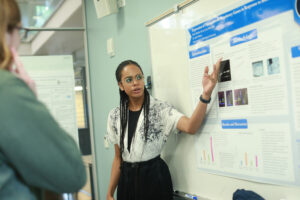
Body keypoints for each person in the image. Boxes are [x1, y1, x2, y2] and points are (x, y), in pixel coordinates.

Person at [0, 0, 86, 199]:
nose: (19, 42)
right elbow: (71, 173)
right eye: (19, 32)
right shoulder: (7, 89)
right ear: (5, 32)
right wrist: (31, 100)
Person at [106, 59, 221, 200]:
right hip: (127, 182)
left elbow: (191, 126)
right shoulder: (115, 116)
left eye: (139, 77)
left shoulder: (161, 109)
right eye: (129, 80)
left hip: (154, 179)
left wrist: (206, 95)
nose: (136, 83)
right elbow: (118, 159)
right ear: (121, 85)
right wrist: (110, 192)